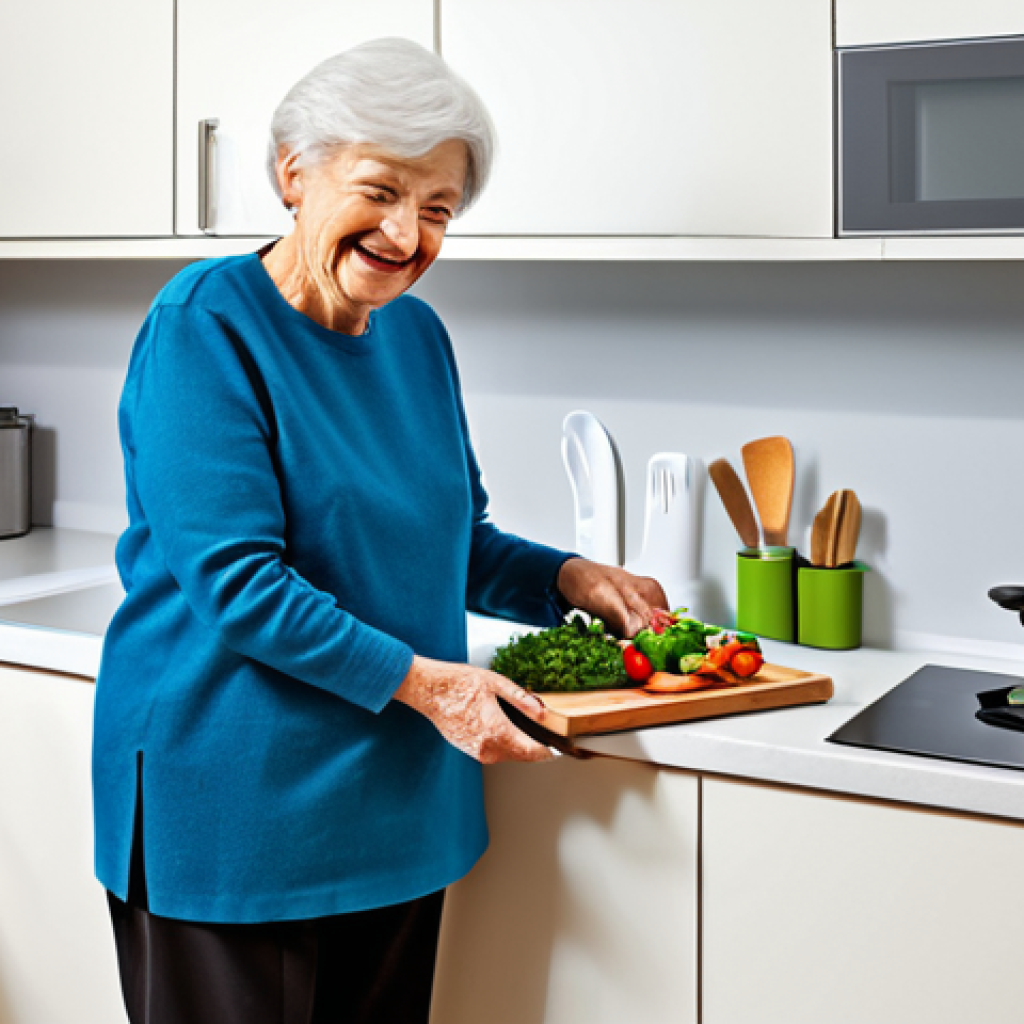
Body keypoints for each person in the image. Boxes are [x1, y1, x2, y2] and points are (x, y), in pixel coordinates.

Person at [92, 37, 667, 1024]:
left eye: (438, 207)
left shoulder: (417, 336)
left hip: (395, 803)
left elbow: (455, 538)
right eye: (380, 190)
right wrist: (433, 684)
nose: (407, 232)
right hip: (240, 807)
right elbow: (236, 580)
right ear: (292, 173)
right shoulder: (204, 323)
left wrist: (571, 578)